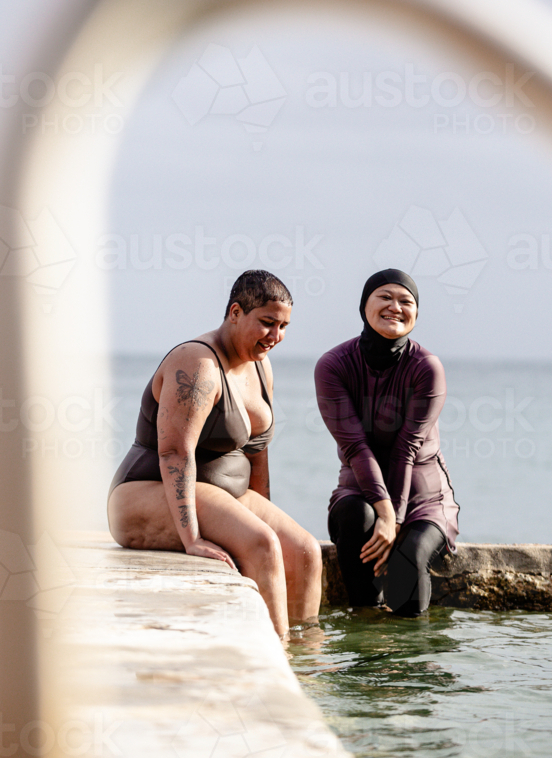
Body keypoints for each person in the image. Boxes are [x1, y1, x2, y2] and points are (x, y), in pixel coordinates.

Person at [108, 269, 322, 641]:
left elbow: (258, 452)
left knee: (305, 552)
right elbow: (175, 452)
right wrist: (191, 538)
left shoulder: (260, 364)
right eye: (267, 323)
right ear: (236, 313)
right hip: (144, 493)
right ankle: (280, 657)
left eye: (284, 326)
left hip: (221, 493)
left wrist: (259, 509)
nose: (275, 336)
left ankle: (308, 658)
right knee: (262, 545)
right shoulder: (198, 363)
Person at [314, 269, 459, 617]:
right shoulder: (333, 365)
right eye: (385, 297)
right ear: (364, 305)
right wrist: (382, 512)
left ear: (416, 315)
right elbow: (355, 448)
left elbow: (406, 447)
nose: (396, 307)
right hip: (359, 490)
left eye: (406, 301)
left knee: (410, 555)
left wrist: (393, 522)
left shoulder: (426, 367)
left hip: (425, 498)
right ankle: (367, 633)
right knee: (355, 516)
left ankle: (408, 657)